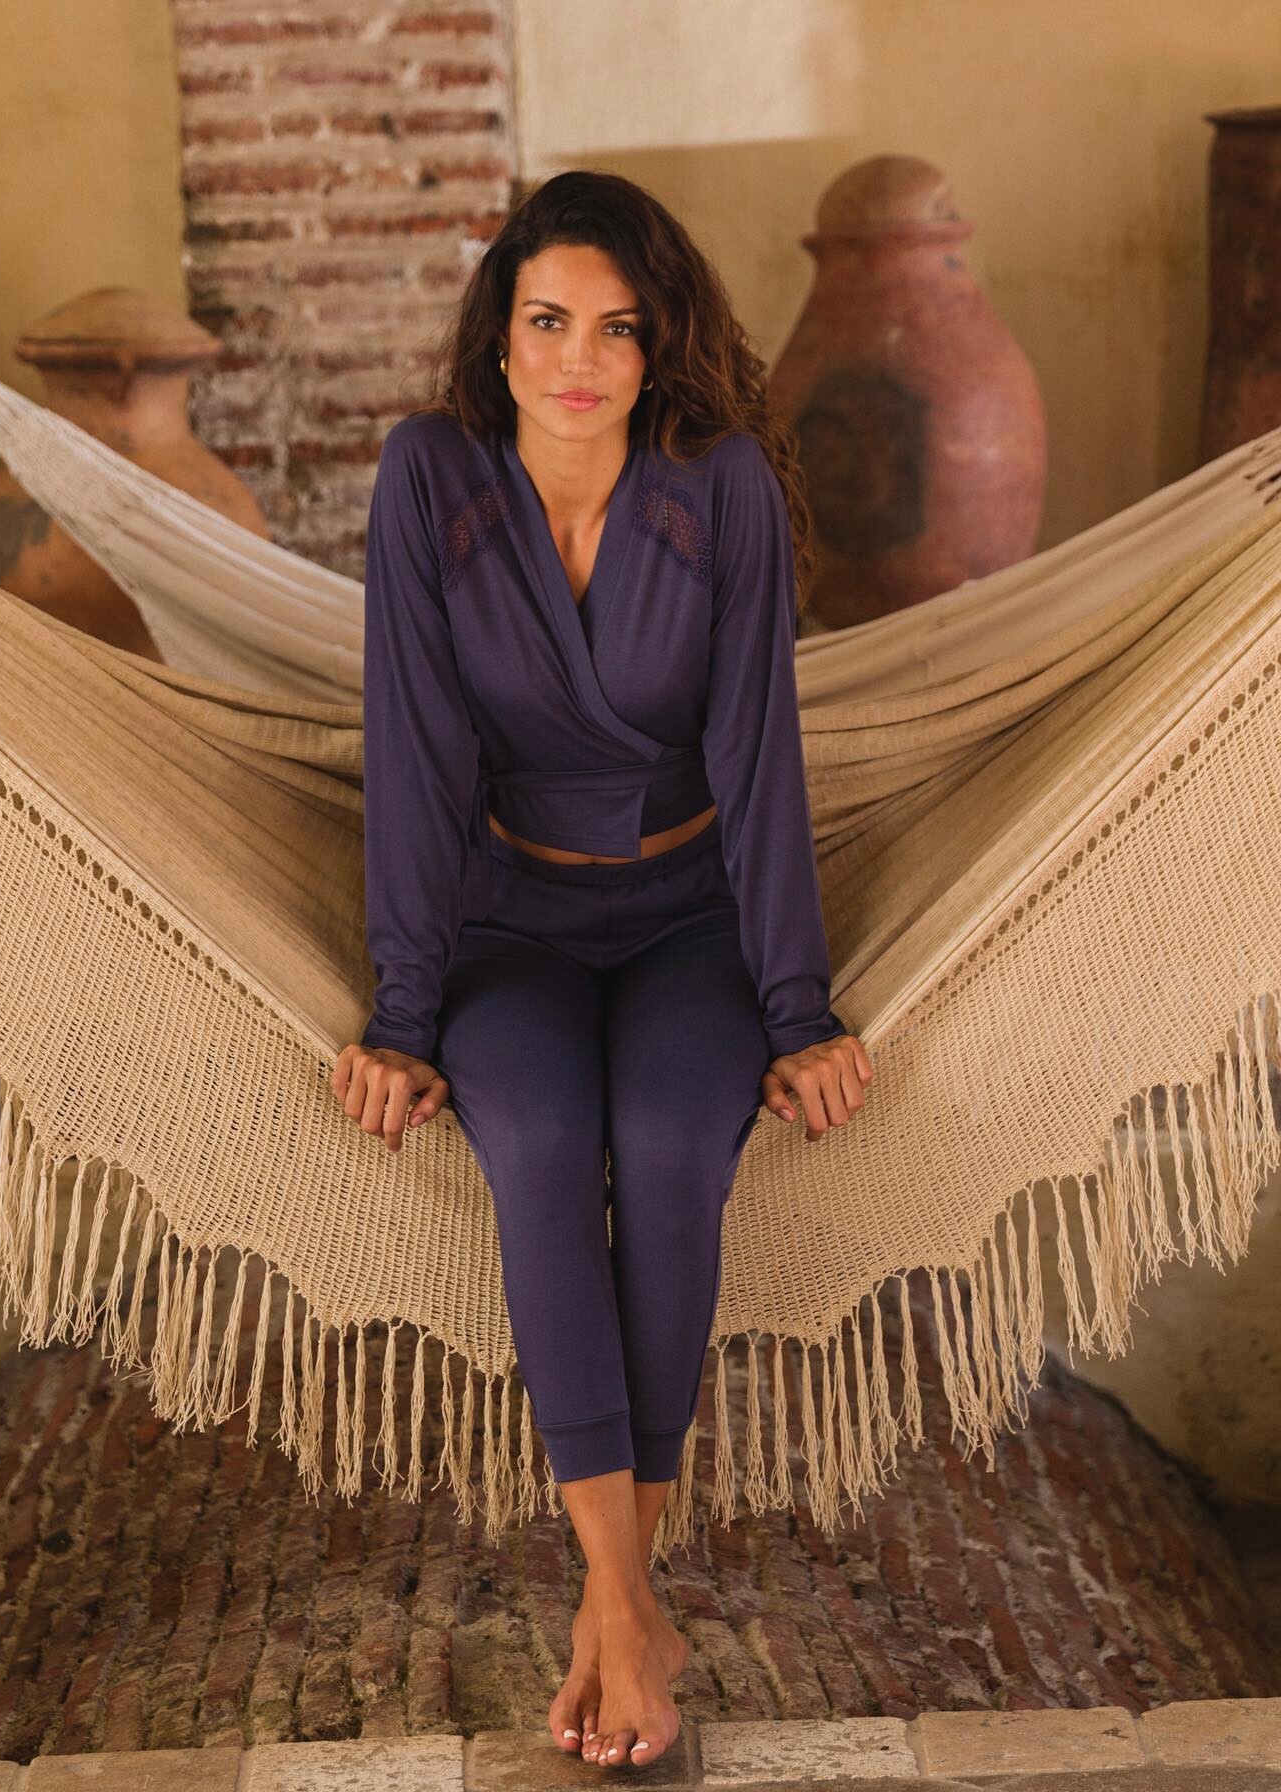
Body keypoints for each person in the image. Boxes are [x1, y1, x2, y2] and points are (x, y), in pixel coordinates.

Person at [330, 169, 874, 1772]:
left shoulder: (720, 489)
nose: (580, 359)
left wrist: (798, 1010)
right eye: (550, 321)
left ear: (658, 349)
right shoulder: (430, 479)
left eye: (618, 329)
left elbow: (761, 755)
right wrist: (403, 1015)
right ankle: (629, 1605)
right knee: (544, 1138)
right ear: (500, 338)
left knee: (674, 1140)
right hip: (512, 922)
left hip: (694, 918)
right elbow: (414, 752)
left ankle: (612, 1609)